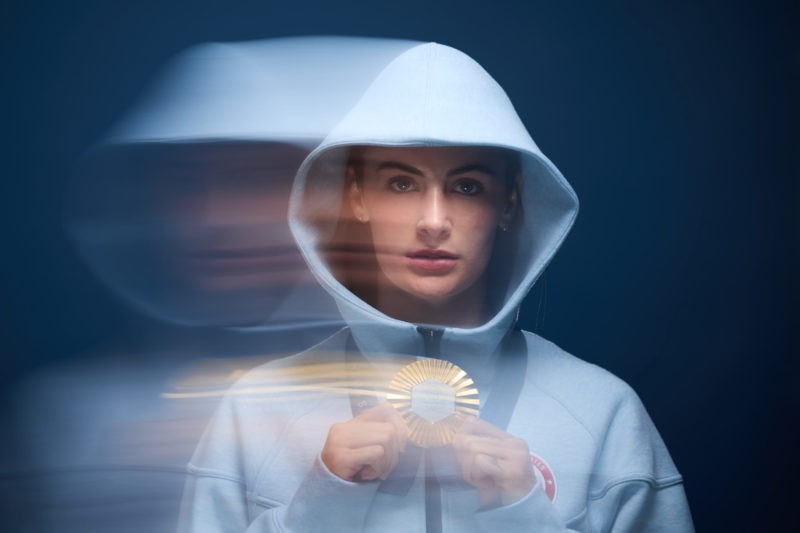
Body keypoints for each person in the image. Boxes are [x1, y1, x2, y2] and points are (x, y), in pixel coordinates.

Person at [179, 42, 694, 531]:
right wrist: (320, 506)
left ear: (510, 203)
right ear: (356, 198)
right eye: (400, 184)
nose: (432, 221)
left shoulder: (601, 413)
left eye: (467, 187)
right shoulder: (255, 410)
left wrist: (523, 518)